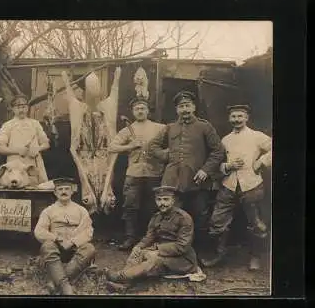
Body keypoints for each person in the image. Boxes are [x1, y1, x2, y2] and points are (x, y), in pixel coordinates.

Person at [148, 90, 225, 253]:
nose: (185, 109)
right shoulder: (169, 128)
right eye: (181, 106)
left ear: (194, 107)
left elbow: (218, 151)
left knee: (200, 217)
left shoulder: (204, 126)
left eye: (188, 105)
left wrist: (205, 170)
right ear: (177, 109)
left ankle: (200, 253)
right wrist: (166, 155)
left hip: (197, 181)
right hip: (173, 182)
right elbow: (152, 146)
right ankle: (170, 251)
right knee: (171, 216)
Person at [201, 105, 272, 270]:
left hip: (251, 184)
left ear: (247, 118)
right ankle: (219, 254)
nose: (237, 120)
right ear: (229, 119)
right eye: (233, 116)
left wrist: (261, 162)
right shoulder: (225, 139)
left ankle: (255, 257)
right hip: (228, 185)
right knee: (217, 221)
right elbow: (218, 163)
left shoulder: (257, 136)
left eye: (240, 116)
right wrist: (228, 166)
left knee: (256, 223)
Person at [103, 186, 202, 293]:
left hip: (182, 259)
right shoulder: (156, 217)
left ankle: (119, 277)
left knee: (155, 260)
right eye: (159, 200)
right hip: (162, 253)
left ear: (173, 200)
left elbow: (182, 246)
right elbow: (149, 237)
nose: (162, 203)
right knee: (138, 253)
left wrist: (157, 251)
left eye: (166, 199)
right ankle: (125, 285)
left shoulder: (183, 218)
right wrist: (138, 247)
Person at [109, 96, 166, 251]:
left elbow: (171, 145)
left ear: (148, 110)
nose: (140, 111)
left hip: (154, 173)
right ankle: (130, 238)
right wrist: (130, 146)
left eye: (143, 108)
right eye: (137, 109)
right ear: (133, 112)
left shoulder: (160, 128)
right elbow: (112, 147)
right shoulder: (127, 130)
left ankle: (154, 238)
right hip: (134, 173)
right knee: (130, 206)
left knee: (154, 207)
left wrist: (162, 154)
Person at [34, 178, 96, 295]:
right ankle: (65, 286)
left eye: (67, 189)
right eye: (60, 189)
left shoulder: (81, 210)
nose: (64, 191)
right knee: (47, 246)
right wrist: (55, 238)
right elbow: (39, 231)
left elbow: (88, 231)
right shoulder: (48, 211)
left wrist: (73, 241)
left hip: (75, 250)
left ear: (72, 191)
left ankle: (53, 283)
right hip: (56, 248)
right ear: (55, 192)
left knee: (89, 248)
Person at [0, 94, 50, 185]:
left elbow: (46, 144)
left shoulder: (35, 124)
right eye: (18, 107)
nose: (21, 110)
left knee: (35, 188)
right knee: (16, 187)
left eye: (24, 107)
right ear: (13, 109)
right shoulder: (7, 126)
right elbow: (0, 148)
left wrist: (37, 148)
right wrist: (18, 150)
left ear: (27, 108)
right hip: (14, 166)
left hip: (34, 164)